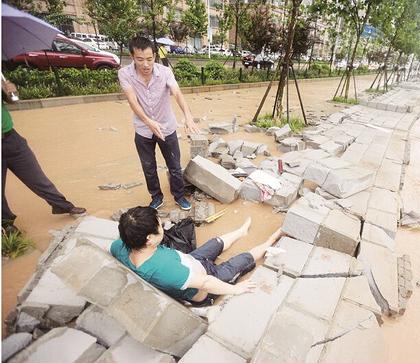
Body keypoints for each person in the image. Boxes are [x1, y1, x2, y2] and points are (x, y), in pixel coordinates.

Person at [110, 206, 282, 303]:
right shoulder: (165, 269)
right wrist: (235, 289)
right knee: (242, 259)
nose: (163, 228)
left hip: (190, 260)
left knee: (215, 242)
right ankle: (273, 238)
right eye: (160, 226)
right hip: (207, 279)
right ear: (148, 239)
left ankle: (241, 232)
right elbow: (206, 283)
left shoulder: (119, 246)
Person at [118, 37, 200, 211]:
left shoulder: (165, 72)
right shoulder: (124, 74)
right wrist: (148, 122)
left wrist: (188, 115)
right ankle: (156, 197)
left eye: (149, 59)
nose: (146, 64)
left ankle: (179, 196)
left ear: (155, 56)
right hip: (143, 130)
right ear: (132, 57)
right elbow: (133, 101)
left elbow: (177, 92)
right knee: (149, 167)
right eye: (140, 59)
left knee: (175, 167)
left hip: (167, 128)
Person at [1, 79, 86, 234]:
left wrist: (11, 92)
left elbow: (13, 101)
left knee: (37, 177)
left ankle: (62, 205)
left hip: (11, 138)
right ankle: (6, 223)